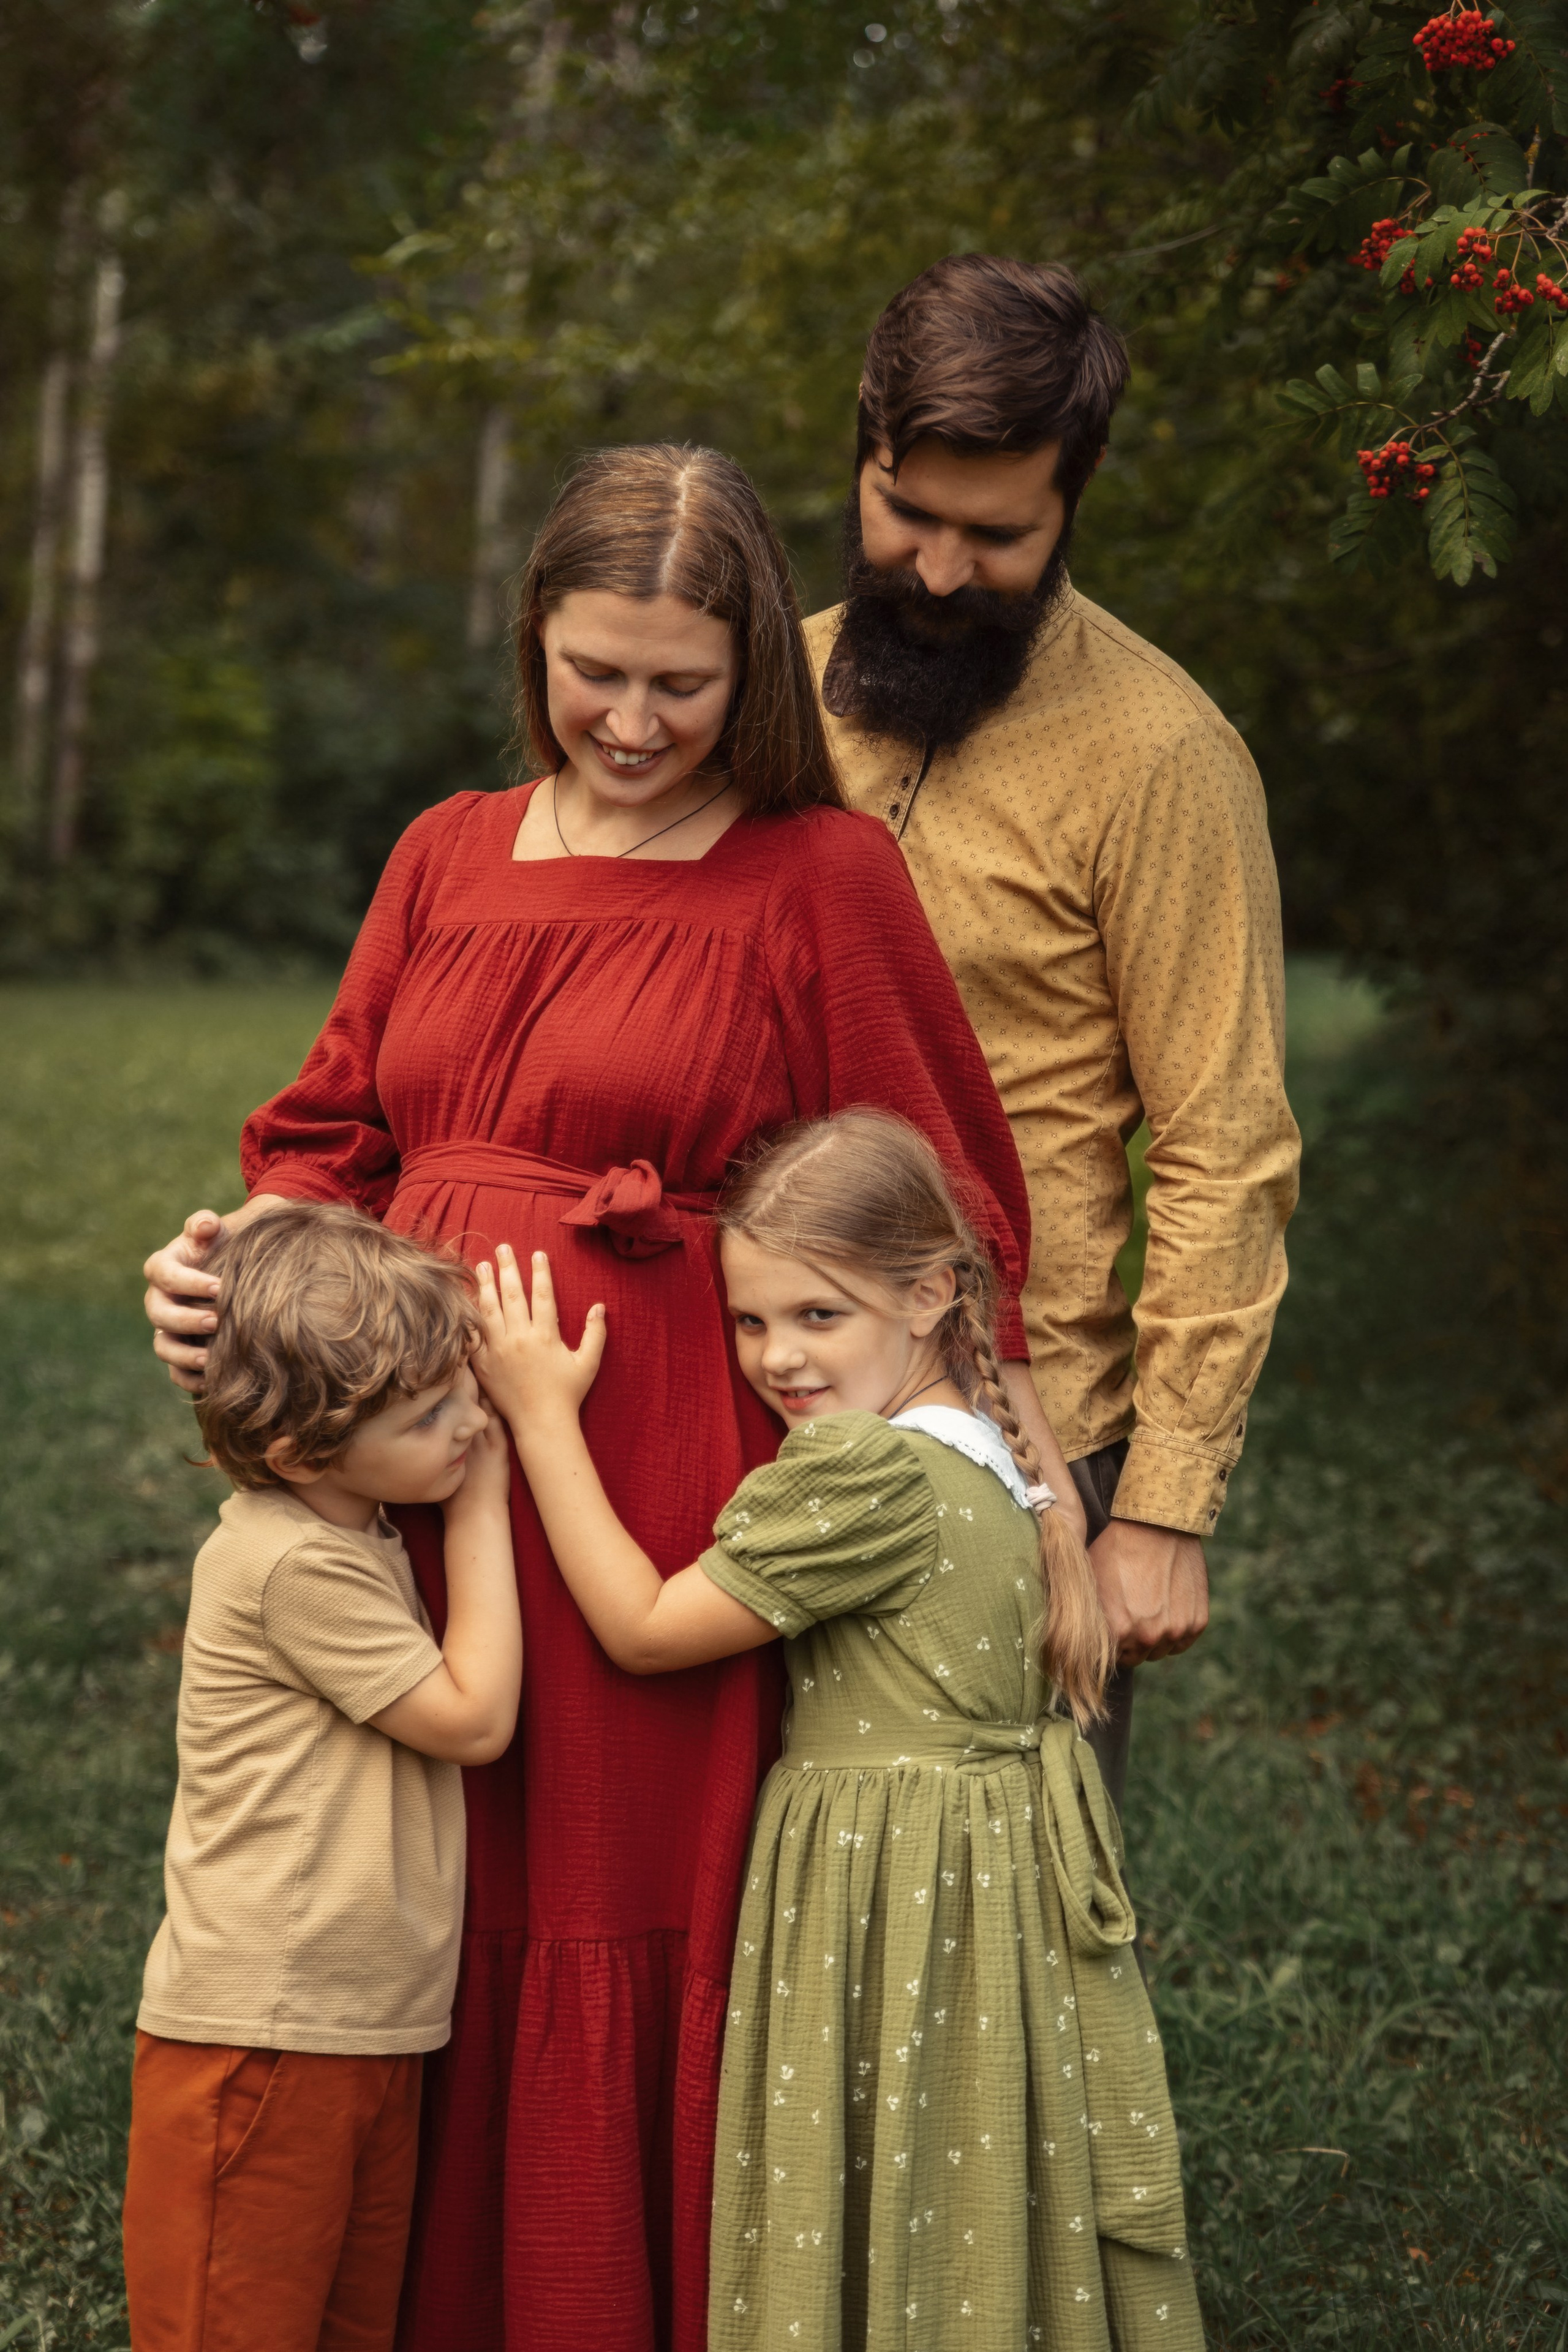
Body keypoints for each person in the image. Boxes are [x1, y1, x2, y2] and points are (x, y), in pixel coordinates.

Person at [140, 443, 1077, 2352]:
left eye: (683, 681)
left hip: (649, 1458)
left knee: (606, 1890)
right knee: (419, 1874)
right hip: (412, 1453)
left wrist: (1039, 1479)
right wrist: (234, 1266)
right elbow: (329, 1137)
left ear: (754, 673)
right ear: (532, 646)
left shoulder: (820, 873)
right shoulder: (447, 853)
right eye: (595, 672)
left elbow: (950, 1192)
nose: (633, 721)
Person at [470, 1108, 1203, 2352]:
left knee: (882, 2149)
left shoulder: (864, 1472)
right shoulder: (986, 1444)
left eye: (818, 1317)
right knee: (962, 2150)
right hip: (984, 1872)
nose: (775, 1358)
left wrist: (540, 1421)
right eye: (750, 1321)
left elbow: (645, 1627)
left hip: (893, 1883)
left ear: (928, 1295)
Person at [804, 253, 1302, 1814]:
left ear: (1072, 501)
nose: (939, 571)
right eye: (908, 513)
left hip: (1019, 1446)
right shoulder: (757, 690)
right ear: (861, 451)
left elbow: (1223, 1141)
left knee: (1000, 1942)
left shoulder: (1161, 753)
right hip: (729, 1406)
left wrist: (1159, 1505)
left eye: (995, 533)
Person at [123, 1204, 519, 2352]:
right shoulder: (289, 1558)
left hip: (360, 2027)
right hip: (264, 2034)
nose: (469, 1422)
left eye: (461, 1387)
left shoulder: (356, 1528)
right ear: (301, 1455)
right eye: (429, 1414)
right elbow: (473, 1717)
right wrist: (486, 1504)